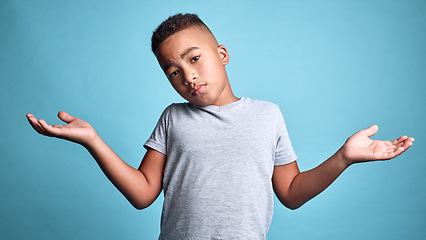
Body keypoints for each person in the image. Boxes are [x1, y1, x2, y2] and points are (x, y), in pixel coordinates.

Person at [26, 13, 414, 239]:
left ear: (222, 54)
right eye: (173, 71)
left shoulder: (268, 115)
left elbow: (292, 193)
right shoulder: (172, 118)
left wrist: (343, 158)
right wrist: (92, 140)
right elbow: (144, 193)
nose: (187, 76)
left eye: (194, 59)